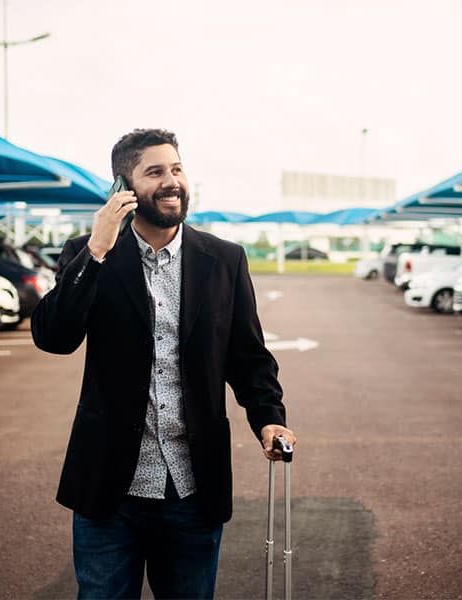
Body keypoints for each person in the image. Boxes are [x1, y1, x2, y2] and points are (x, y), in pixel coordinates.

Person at [31, 128, 295, 599]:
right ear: (124, 189)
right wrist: (96, 250)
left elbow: (248, 354)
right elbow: (54, 337)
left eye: (176, 168)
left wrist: (269, 419)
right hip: (109, 490)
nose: (172, 181)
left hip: (193, 489)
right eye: (155, 172)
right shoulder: (89, 254)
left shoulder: (224, 260)